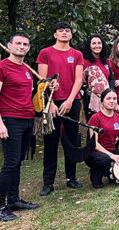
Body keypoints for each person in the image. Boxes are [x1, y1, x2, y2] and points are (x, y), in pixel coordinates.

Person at [0, 32, 39, 221]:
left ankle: (14, 200)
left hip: (27, 119)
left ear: (28, 48)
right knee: (10, 164)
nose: (22, 46)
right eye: (18, 43)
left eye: (25, 44)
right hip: (10, 120)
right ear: (9, 45)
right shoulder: (0, 68)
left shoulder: (26, 68)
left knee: (17, 162)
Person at [36, 21, 84, 196]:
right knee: (51, 143)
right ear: (55, 34)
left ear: (71, 35)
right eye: (60, 31)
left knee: (71, 141)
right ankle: (48, 183)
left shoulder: (77, 54)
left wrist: (70, 100)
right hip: (51, 103)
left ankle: (71, 178)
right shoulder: (45, 53)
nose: (64, 33)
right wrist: (51, 104)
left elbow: (79, 79)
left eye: (67, 31)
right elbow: (43, 81)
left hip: (72, 100)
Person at [80, 34, 114, 121]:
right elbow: (81, 81)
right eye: (94, 43)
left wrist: (110, 91)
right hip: (91, 98)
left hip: (107, 97)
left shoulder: (107, 62)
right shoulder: (84, 62)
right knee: (93, 123)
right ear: (89, 46)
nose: (97, 46)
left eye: (99, 43)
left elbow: (111, 78)